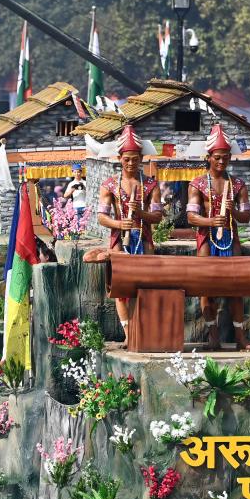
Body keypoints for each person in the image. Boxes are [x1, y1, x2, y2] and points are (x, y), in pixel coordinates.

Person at [186, 124, 250, 350]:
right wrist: (212, 221)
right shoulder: (197, 184)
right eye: (217, 158)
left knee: (237, 288)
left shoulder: (238, 185)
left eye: (225, 158)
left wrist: (232, 211)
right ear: (209, 157)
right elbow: (192, 217)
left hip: (231, 238)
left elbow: (246, 216)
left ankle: (240, 337)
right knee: (206, 287)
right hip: (207, 238)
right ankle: (213, 335)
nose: (221, 162)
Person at [96, 125, 163, 342]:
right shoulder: (109, 185)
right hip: (119, 239)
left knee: (145, 286)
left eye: (135, 159)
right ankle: (128, 334)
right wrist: (120, 223)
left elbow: (157, 216)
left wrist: (141, 212)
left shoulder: (151, 184)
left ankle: (142, 331)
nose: (131, 163)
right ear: (119, 158)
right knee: (121, 289)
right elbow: (101, 216)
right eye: (127, 159)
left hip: (144, 238)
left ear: (141, 158)